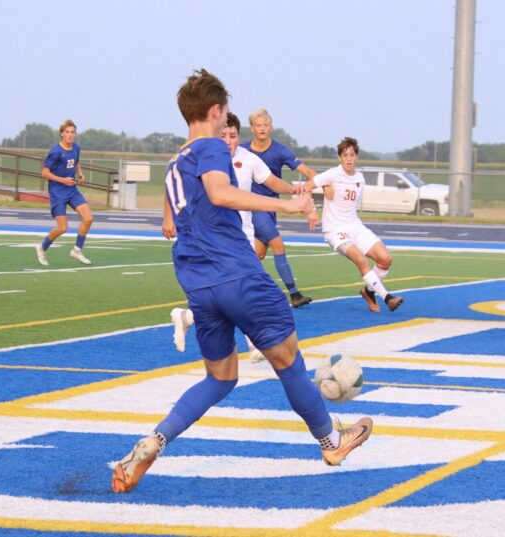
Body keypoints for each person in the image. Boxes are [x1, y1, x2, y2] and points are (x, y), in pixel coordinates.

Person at [111, 69, 372, 493]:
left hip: (198, 284)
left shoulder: (175, 161)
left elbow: (175, 218)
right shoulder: (212, 147)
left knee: (220, 378)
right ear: (215, 111)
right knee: (289, 361)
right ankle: (331, 440)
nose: (225, 122)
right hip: (238, 275)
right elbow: (219, 192)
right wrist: (285, 206)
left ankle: (155, 440)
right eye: (225, 113)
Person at [169, 112, 306, 362]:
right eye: (224, 135)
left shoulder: (248, 159)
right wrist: (169, 217)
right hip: (216, 240)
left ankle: (187, 317)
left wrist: (293, 190)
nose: (229, 140)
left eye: (233, 136)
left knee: (236, 294)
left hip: (243, 233)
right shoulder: (205, 157)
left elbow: (272, 181)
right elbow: (176, 186)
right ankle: (254, 343)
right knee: (242, 291)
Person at [303, 137, 403, 313]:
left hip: (355, 226)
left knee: (385, 258)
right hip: (335, 230)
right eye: (345, 155)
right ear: (340, 157)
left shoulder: (360, 178)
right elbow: (306, 187)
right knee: (360, 259)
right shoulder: (332, 174)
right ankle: (387, 298)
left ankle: (368, 292)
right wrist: (312, 208)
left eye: (352, 154)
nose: (349, 159)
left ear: (356, 156)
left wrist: (327, 187)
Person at [240, 108, 317, 308]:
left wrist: (323, 182)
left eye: (266, 125)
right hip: (254, 208)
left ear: (271, 127)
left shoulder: (280, 150)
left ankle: (241, 289)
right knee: (278, 246)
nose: (263, 128)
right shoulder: (242, 151)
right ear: (252, 128)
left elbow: (306, 170)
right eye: (259, 125)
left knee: (258, 254)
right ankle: (294, 294)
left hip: (271, 208)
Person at [35, 119, 94, 265]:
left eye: (72, 132)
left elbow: (76, 161)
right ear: (61, 134)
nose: (70, 135)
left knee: (88, 218)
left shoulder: (76, 148)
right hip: (57, 192)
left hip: (72, 190)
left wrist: (80, 174)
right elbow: (44, 173)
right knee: (62, 228)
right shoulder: (55, 151)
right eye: (67, 132)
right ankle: (42, 248)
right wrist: (62, 180)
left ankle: (76, 250)